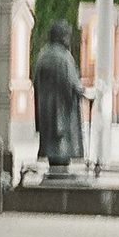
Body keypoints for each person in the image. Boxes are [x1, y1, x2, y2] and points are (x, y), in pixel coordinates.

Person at [32, 14, 83, 168]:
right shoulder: (64, 57)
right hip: (63, 113)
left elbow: (35, 81)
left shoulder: (43, 55)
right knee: (62, 150)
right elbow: (74, 85)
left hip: (46, 111)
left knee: (51, 149)